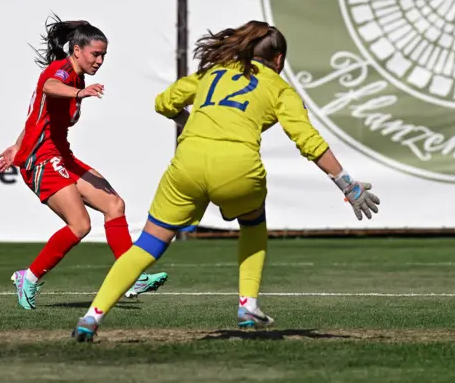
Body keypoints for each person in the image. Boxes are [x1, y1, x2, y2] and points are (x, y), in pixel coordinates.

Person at [70, 20, 380, 341]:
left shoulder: (211, 73)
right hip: (237, 169)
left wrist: (189, 122)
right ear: (278, 60)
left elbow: (163, 102)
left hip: (187, 165)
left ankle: (92, 316)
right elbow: (307, 140)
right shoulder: (279, 87)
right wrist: (347, 184)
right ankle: (247, 305)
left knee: (147, 245)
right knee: (253, 225)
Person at [0, 14, 169, 310]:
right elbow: (48, 86)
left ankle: (132, 277)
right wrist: (79, 93)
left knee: (115, 205)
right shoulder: (62, 71)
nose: (100, 60)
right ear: (77, 51)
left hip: (60, 155)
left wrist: (16, 144)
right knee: (80, 225)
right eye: (95, 54)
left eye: (103, 55)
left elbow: (38, 112)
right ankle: (29, 277)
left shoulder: (78, 77)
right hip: (41, 159)